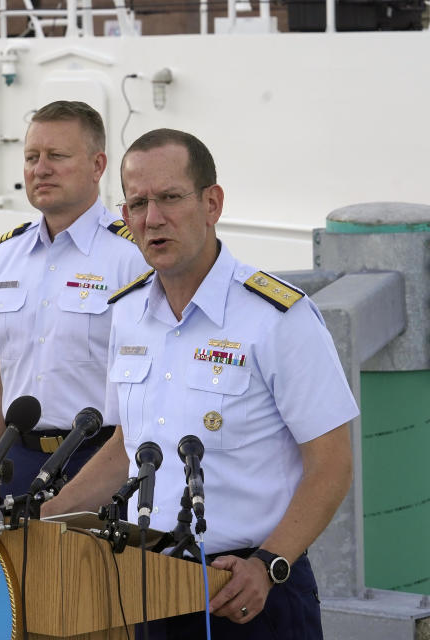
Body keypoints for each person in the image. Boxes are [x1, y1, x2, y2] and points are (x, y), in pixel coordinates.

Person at [43, 128, 359, 639]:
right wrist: (44, 519)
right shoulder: (126, 315)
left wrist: (270, 563)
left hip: (249, 591)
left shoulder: (278, 317)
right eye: (139, 203)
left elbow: (332, 462)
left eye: (170, 198)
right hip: (149, 583)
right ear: (125, 217)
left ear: (212, 203)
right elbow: (127, 444)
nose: (154, 218)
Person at [0, 101, 149, 501]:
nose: (40, 169)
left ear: (98, 166)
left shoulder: (133, 258)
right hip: (18, 461)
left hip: (103, 460)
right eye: (32, 157)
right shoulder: (0, 259)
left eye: (57, 156)